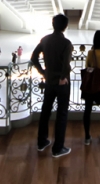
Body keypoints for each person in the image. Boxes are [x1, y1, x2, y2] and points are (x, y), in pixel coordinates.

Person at [30, 13, 73, 158]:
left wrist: (43, 72)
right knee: (61, 114)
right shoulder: (66, 43)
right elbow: (66, 65)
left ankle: (42, 142)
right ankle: (58, 148)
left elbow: (34, 57)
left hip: (49, 81)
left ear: (53, 24)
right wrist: (62, 78)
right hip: (62, 83)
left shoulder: (45, 40)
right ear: (65, 27)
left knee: (45, 111)